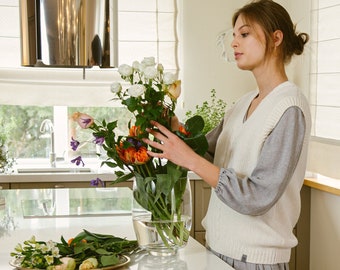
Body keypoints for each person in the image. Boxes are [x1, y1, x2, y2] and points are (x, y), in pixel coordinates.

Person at [143, 0, 311, 269]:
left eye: (244, 34)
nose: (234, 43)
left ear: (276, 38)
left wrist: (190, 159)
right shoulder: (242, 105)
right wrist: (177, 129)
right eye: (233, 36)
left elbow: (257, 197)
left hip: (255, 260)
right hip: (218, 250)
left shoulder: (289, 107)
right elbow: (208, 152)